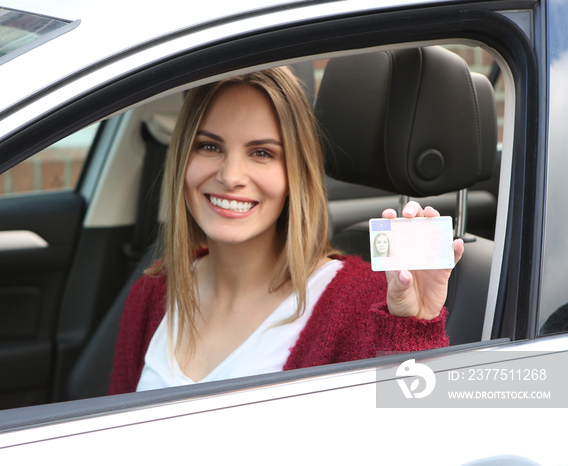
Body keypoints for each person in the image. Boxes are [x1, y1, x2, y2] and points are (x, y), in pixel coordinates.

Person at [109, 67, 464, 394]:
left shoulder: (366, 301)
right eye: (209, 146)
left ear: (297, 172)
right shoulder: (152, 294)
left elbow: (417, 439)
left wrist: (413, 327)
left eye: (261, 153)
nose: (230, 176)